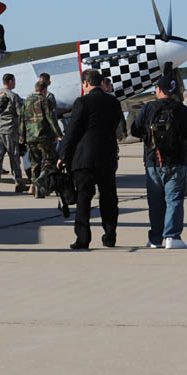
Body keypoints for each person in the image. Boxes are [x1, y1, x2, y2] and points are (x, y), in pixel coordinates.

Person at [58, 69, 126, 250]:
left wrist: (63, 155)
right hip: (108, 156)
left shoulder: (82, 102)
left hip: (85, 158)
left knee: (84, 198)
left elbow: (72, 132)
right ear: (102, 82)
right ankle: (110, 236)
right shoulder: (113, 102)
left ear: (86, 83)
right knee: (109, 198)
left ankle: (83, 238)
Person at [131, 71, 187, 248]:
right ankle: (172, 237)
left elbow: (135, 130)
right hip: (176, 160)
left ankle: (155, 239)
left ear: (158, 89)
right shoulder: (181, 109)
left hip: (153, 161)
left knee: (155, 202)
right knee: (174, 200)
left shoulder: (148, 108)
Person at [19, 80, 63, 198]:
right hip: (44, 137)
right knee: (49, 161)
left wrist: (22, 136)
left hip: (30, 137)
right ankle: (42, 182)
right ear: (44, 90)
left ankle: (37, 188)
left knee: (35, 163)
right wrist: (58, 134)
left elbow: (22, 119)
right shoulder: (45, 101)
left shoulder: (27, 102)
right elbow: (51, 119)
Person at [0, 73, 29, 194]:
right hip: (10, 131)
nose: (15, 83)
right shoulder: (14, 96)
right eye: (14, 81)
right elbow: (20, 113)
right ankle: (18, 183)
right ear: (10, 81)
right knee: (14, 157)